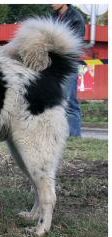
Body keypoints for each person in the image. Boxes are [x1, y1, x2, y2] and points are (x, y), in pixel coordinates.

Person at [51, 4, 85, 137]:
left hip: (67, 67)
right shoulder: (54, 17)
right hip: (54, 67)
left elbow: (75, 46)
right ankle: (59, 136)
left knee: (70, 102)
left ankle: (74, 136)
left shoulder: (76, 18)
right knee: (56, 102)